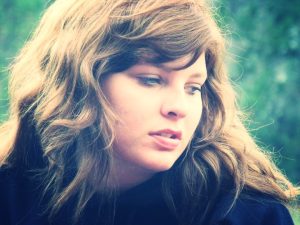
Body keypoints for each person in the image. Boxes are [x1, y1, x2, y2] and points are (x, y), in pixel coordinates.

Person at [0, 0, 298, 225]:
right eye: (152, 80)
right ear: (80, 81)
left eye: (193, 88)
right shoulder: (9, 196)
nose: (179, 108)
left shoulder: (245, 214)